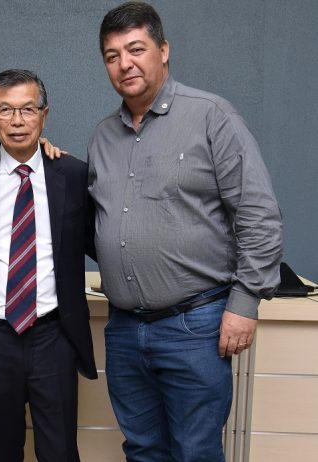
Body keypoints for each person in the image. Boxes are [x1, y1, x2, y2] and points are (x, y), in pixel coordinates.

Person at [87, 2, 283, 461]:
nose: (124, 63)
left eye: (136, 49)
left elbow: (259, 214)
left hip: (195, 327)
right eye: (113, 55)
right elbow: (104, 221)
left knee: (195, 451)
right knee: (142, 450)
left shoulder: (212, 116)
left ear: (164, 50)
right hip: (124, 329)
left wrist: (245, 302)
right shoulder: (103, 137)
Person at [0, 69, 97, 462]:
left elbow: (101, 242)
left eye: (28, 109)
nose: (17, 121)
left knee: (60, 451)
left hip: (54, 336)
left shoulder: (72, 174)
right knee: (1, 451)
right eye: (6, 110)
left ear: (44, 116)